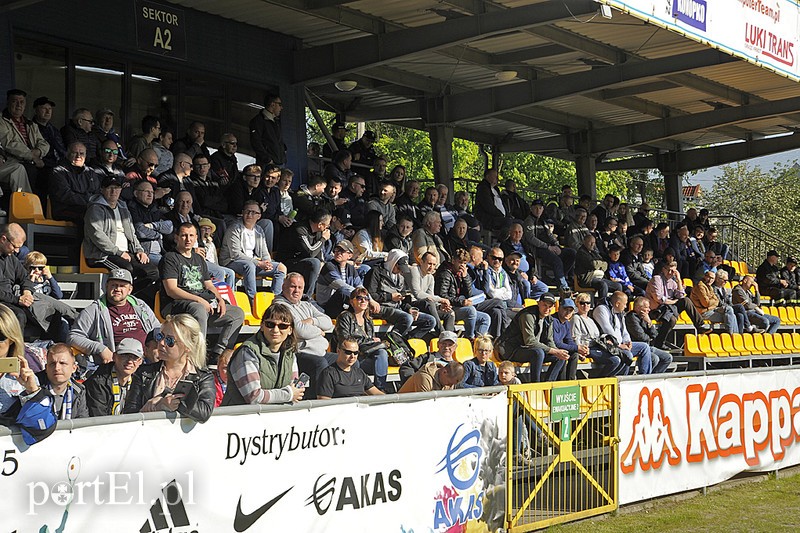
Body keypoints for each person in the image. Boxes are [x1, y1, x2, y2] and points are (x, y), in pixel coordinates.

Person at [160, 223, 245, 363]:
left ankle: (218, 353)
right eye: (184, 235)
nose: (188, 239)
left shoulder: (199, 259)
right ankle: (199, 357)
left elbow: (209, 285)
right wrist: (198, 300)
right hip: (178, 306)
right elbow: (172, 290)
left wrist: (220, 299)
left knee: (237, 313)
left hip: (204, 306)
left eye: (191, 235)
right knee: (198, 308)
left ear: (196, 238)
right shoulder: (170, 258)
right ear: (176, 238)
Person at [124, 314, 215, 423]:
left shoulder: (203, 377)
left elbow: (204, 413)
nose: (161, 343)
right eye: (160, 336)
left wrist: (174, 402)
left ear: (187, 347)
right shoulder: (143, 373)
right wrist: (158, 406)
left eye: (170, 341)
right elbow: (129, 414)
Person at [84, 174, 160, 304]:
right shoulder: (95, 208)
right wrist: (118, 252)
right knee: (126, 271)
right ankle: (114, 301)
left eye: (117, 188)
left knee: (152, 272)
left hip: (126, 253)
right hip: (102, 255)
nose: (114, 191)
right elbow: (98, 236)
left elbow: (131, 232)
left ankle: (130, 298)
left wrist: (139, 250)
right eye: (110, 188)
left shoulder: (123, 208)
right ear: (102, 189)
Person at [0, 223, 77, 339]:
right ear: (3, 239)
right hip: (8, 300)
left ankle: (54, 348)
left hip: (17, 297)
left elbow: (24, 277)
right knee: (19, 315)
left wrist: (27, 291)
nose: (17, 251)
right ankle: (16, 353)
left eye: (20, 247)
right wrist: (18, 299)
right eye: (15, 246)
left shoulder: (10, 258)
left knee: (54, 312)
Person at [68, 268, 158, 365]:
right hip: (119, 362)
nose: (117, 289)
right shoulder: (94, 310)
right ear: (106, 286)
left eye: (122, 286)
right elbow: (73, 337)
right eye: (114, 285)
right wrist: (100, 349)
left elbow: (157, 328)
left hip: (146, 358)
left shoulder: (140, 305)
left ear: (130, 289)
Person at [221, 303, 304, 405]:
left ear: (290, 330)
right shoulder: (247, 352)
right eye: (270, 324)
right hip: (240, 417)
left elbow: (296, 390)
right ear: (262, 326)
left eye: (282, 326)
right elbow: (254, 397)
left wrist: (292, 393)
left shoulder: (290, 354)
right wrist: (289, 394)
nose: (275, 330)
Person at [273, 273, 337, 399]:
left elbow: (328, 322)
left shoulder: (306, 305)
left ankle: (345, 399)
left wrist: (312, 321)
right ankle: (319, 405)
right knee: (320, 364)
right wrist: (319, 331)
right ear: (283, 286)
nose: (297, 291)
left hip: (319, 352)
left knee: (347, 361)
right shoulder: (280, 306)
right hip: (297, 353)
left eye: (300, 287)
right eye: (293, 286)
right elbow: (300, 331)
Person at [219, 200, 286, 302]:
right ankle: (253, 300)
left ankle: (277, 301)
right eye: (247, 211)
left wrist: (267, 263)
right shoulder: (234, 229)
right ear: (243, 213)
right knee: (249, 265)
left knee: (280, 268)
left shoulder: (259, 230)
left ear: (259, 216)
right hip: (232, 262)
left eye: (253, 212)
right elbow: (236, 254)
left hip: (254, 263)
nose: (250, 214)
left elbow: (264, 252)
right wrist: (259, 263)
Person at [364, 249, 437, 340]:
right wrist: (390, 297)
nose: (400, 271)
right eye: (399, 268)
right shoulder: (376, 272)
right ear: (393, 262)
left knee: (430, 321)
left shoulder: (401, 276)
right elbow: (370, 294)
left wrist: (409, 308)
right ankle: (389, 342)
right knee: (407, 318)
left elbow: (403, 298)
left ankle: (406, 341)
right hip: (381, 307)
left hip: (398, 307)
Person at [496, 294, 568, 382]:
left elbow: (549, 341)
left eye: (550, 307)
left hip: (528, 350)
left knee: (560, 357)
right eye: (544, 305)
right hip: (511, 349)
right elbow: (530, 341)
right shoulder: (528, 315)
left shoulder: (549, 319)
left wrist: (558, 352)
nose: (547, 309)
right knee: (538, 353)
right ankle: (535, 385)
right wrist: (554, 351)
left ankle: (548, 385)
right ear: (539, 303)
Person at [646, 260, 711, 348]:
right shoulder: (656, 279)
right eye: (668, 270)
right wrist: (674, 302)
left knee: (686, 300)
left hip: (669, 309)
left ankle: (700, 325)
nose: (670, 273)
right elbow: (659, 299)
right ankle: (659, 343)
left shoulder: (673, 282)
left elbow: (681, 296)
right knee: (671, 319)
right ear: (663, 269)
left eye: (673, 271)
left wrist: (679, 280)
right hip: (657, 309)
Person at [334, 287, 388, 391]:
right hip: (349, 356)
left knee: (382, 352)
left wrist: (372, 342)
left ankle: (380, 389)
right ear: (351, 301)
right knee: (357, 362)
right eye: (359, 298)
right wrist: (371, 341)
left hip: (365, 357)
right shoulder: (345, 317)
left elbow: (371, 345)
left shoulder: (368, 321)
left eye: (366, 298)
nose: (363, 300)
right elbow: (345, 341)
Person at [434, 248, 492, 341]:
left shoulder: (461, 274)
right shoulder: (445, 273)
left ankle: (478, 342)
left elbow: (468, 293)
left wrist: (465, 277)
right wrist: (461, 302)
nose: (462, 265)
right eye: (460, 262)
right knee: (470, 310)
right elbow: (442, 295)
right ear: (453, 261)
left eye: (465, 263)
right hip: (448, 307)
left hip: (457, 305)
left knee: (485, 318)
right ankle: (470, 338)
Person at [522, 199, 576, 298]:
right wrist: (548, 247)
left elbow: (549, 235)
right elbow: (531, 238)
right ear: (531, 208)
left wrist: (557, 245)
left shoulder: (543, 221)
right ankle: (563, 287)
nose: (538, 210)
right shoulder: (529, 221)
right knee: (557, 261)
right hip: (537, 249)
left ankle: (560, 277)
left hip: (549, 247)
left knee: (571, 253)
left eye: (540, 208)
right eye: (536, 208)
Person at [593, 291, 652, 375]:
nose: (625, 307)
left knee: (644, 347)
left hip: (621, 344)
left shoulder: (620, 314)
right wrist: (619, 345)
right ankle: (622, 380)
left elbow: (624, 331)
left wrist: (628, 341)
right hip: (608, 346)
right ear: (617, 304)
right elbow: (607, 330)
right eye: (624, 304)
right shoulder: (601, 310)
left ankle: (645, 378)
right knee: (628, 355)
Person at [570, 293, 627, 377]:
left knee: (624, 357)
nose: (585, 305)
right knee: (615, 360)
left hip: (597, 346)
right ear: (577, 304)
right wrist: (580, 351)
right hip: (587, 348)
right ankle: (599, 379)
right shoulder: (576, 318)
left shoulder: (590, 319)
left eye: (588, 303)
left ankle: (610, 379)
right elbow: (575, 337)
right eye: (582, 303)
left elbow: (597, 336)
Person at [84, 337, 144, 416]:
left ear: (140, 362)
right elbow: (98, 417)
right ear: (114, 357)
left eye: (135, 357)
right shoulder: (98, 382)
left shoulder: (141, 381)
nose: (129, 361)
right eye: (124, 355)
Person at [0, 89, 47, 189]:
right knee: (29, 170)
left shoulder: (30, 123)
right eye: (14, 101)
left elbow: (44, 143)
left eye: (22, 102)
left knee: (52, 173)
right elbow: (8, 143)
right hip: (13, 161)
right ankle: (26, 204)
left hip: (34, 160)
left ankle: (41, 204)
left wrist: (38, 151)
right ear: (7, 103)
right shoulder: (2, 120)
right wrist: (32, 156)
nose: (18, 105)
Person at [281, 208, 331, 297]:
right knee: (314, 263)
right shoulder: (300, 229)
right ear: (320, 225)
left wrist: (322, 262)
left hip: (303, 262)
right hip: (289, 261)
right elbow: (310, 252)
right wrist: (323, 239)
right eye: (327, 225)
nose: (328, 227)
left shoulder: (318, 232)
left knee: (326, 265)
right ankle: (307, 297)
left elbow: (318, 252)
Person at [49, 142, 101, 223]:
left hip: (89, 207)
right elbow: (66, 195)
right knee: (90, 215)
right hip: (65, 210)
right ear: (67, 154)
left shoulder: (91, 172)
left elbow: (97, 193)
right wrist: (89, 200)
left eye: (82, 153)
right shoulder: (58, 171)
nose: (79, 156)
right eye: (75, 153)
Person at [318, 337, 384, 399]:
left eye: (356, 353)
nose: (352, 356)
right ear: (338, 351)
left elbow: (376, 392)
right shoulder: (328, 374)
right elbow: (324, 401)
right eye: (348, 352)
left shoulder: (359, 373)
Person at [34, 343, 88, 420]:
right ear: (46, 368)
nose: (57, 368)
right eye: (52, 364)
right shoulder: (34, 386)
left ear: (74, 368)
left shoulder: (79, 390)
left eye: (62, 363)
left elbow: (82, 422)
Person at [127, 179, 173, 263]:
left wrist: (152, 226)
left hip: (160, 252)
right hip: (145, 253)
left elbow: (169, 226)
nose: (150, 194)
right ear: (136, 193)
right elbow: (140, 231)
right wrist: (158, 234)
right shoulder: (131, 207)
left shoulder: (153, 208)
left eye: (152, 192)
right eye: (146, 191)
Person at [625, 297, 673, 374]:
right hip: (638, 347)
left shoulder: (645, 317)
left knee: (668, 357)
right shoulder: (631, 318)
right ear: (638, 308)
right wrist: (650, 338)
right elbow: (641, 337)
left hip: (648, 346)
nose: (649, 310)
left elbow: (655, 334)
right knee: (655, 358)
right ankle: (644, 377)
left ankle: (654, 377)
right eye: (646, 307)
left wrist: (649, 322)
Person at [713, 270, 759, 334]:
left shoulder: (723, 289)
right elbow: (719, 302)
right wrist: (729, 306)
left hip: (726, 307)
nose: (726, 282)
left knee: (740, 315)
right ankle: (748, 326)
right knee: (740, 306)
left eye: (727, 280)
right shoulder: (713, 288)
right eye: (725, 280)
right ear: (718, 279)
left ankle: (738, 336)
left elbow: (728, 300)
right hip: (719, 308)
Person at [551, 299, 584, 380]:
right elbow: (556, 343)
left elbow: (569, 340)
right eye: (565, 309)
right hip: (550, 350)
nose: (568, 312)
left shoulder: (566, 323)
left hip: (559, 351)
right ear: (559, 308)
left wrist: (579, 350)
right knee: (563, 355)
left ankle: (571, 382)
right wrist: (576, 348)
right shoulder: (552, 320)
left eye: (571, 310)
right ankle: (559, 383)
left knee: (574, 355)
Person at [249, 94, 286, 167]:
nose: (281, 107)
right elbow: (256, 142)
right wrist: (267, 159)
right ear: (272, 104)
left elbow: (278, 140)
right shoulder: (258, 121)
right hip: (267, 165)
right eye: (279, 104)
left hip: (280, 163)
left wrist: (284, 151)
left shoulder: (276, 121)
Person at [31, 95, 65, 169]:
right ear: (36, 110)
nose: (48, 111)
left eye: (50, 108)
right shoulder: (30, 128)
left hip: (60, 165)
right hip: (43, 166)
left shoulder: (54, 130)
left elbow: (61, 150)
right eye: (44, 108)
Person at [398, 360, 464, 393]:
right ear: (444, 372)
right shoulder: (424, 378)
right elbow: (425, 406)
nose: (450, 386)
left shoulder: (450, 381)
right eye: (449, 383)